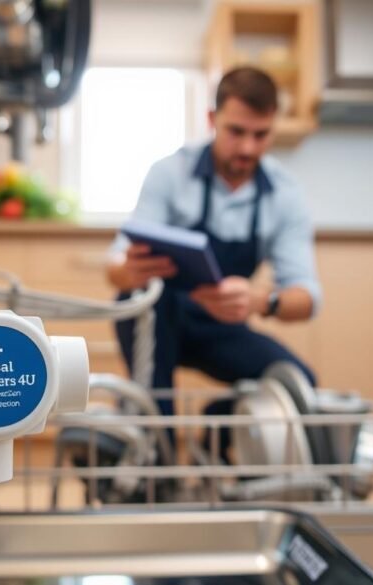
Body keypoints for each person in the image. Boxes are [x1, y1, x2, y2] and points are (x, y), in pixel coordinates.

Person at [107, 66, 322, 424]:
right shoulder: (169, 173)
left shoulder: (286, 194)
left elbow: (308, 297)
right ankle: (157, 464)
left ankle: (219, 427)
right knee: (136, 304)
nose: (247, 147)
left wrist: (261, 300)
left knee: (299, 384)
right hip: (161, 320)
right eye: (236, 132)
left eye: (261, 135)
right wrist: (126, 271)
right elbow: (114, 267)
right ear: (212, 119)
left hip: (223, 328)